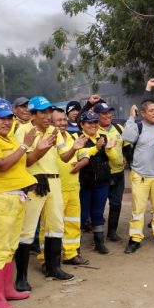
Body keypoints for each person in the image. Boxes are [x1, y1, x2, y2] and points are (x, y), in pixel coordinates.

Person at [0, 98, 36, 308]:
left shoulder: (10, 139)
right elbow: (2, 165)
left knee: (11, 247)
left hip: (17, 197)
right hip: (0, 199)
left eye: (9, 118)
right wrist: (25, 145)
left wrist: (30, 147)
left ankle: (7, 289)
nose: (6, 122)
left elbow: (21, 161)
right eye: (1, 118)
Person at [14, 96, 73, 289]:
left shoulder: (54, 131)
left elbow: (64, 157)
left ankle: (53, 268)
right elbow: (25, 161)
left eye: (49, 112)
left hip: (54, 181)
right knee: (28, 229)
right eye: (43, 112)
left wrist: (76, 149)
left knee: (56, 224)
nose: (48, 116)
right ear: (33, 114)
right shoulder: (23, 131)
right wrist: (40, 150)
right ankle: (21, 277)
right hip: (34, 182)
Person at [122, 100, 154, 253]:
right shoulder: (138, 126)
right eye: (151, 110)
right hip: (139, 175)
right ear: (143, 113)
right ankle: (135, 239)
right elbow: (126, 137)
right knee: (138, 210)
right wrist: (131, 118)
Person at [51, 108, 90, 265]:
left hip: (73, 187)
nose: (62, 123)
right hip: (55, 189)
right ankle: (45, 258)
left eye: (63, 120)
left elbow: (85, 155)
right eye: (58, 120)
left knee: (73, 222)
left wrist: (80, 164)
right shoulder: (49, 139)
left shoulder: (73, 136)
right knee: (51, 226)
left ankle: (71, 254)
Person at [77, 109, 118, 255]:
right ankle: (74, 247)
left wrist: (110, 149)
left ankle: (99, 243)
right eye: (89, 122)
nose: (93, 125)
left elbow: (112, 159)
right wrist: (96, 148)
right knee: (81, 214)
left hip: (102, 182)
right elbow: (79, 156)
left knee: (98, 213)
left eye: (95, 122)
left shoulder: (103, 136)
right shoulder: (78, 138)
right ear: (82, 124)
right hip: (84, 183)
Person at [94, 101, 126, 243]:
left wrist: (125, 156)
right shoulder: (94, 131)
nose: (108, 115)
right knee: (99, 205)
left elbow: (126, 145)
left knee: (116, 204)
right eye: (104, 113)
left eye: (109, 113)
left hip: (118, 173)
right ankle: (98, 236)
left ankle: (112, 232)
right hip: (102, 175)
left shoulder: (119, 128)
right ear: (97, 116)